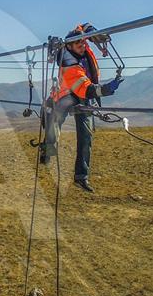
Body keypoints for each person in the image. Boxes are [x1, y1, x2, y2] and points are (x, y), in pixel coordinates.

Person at [39, 24, 123, 192]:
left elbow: (82, 27)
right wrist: (107, 89)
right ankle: (48, 149)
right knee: (55, 119)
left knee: (86, 136)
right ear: (69, 47)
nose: (83, 46)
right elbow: (87, 89)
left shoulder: (80, 45)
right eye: (79, 44)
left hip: (85, 96)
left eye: (84, 43)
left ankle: (81, 177)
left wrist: (93, 33)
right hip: (69, 95)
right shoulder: (69, 65)